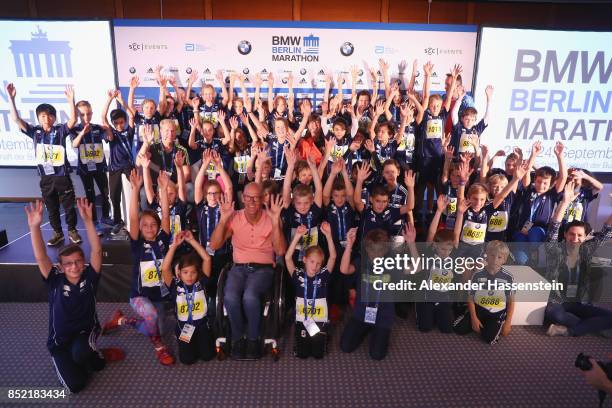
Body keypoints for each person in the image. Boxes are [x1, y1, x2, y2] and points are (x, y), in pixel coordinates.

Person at [25, 198, 123, 393]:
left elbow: (97, 249)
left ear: (83, 262)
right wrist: (34, 227)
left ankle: (94, 355)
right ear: (61, 267)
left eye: (78, 261)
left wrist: (87, 221)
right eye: (68, 263)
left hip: (85, 332)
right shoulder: (54, 280)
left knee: (92, 362)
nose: (74, 266)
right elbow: (41, 257)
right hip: (59, 342)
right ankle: (71, 360)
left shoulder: (90, 277)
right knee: (75, 386)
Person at [102, 169, 174, 365]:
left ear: (158, 228)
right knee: (151, 320)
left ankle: (121, 321)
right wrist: (135, 189)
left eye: (153, 225)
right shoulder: (136, 244)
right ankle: (160, 348)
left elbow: (166, 216)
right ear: (140, 229)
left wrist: (164, 188)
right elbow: (133, 218)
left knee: (157, 326)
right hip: (139, 296)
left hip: (159, 295)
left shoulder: (163, 241)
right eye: (145, 225)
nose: (149, 228)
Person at [208, 182, 287, 360]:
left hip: (263, 269)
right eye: (248, 197)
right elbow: (214, 245)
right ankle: (238, 337)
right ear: (243, 198)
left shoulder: (271, 217)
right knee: (229, 296)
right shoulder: (234, 217)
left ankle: (253, 338)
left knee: (250, 296)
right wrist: (223, 219)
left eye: (256, 197)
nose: (252, 201)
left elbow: (280, 250)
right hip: (238, 268)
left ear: (262, 199)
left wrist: (275, 222)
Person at [6, 83, 80, 246]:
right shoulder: (35, 132)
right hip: (46, 178)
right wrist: (11, 99)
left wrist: (71, 100)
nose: (46, 119)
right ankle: (58, 233)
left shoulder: (60, 131)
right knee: (52, 207)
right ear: (38, 118)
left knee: (68, 206)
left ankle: (73, 231)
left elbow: (74, 119)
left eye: (50, 116)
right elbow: (16, 119)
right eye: (43, 116)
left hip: (62, 176)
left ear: (54, 117)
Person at [544, 181, 612, 337]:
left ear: (585, 237)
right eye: (571, 234)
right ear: (565, 235)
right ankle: (592, 326)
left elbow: (607, 231)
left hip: (579, 302)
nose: (575, 238)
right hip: (558, 303)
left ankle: (568, 329)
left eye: (579, 235)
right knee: (554, 314)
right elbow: (554, 228)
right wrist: (565, 202)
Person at [161, 230, 214, 364]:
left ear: (198, 273)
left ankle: (200, 342)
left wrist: (192, 241)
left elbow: (207, 259)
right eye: (185, 272)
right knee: (187, 360)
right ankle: (183, 340)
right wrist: (174, 246)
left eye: (193, 272)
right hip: (184, 327)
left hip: (202, 326)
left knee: (207, 356)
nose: (189, 276)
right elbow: (165, 268)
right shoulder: (175, 286)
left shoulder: (200, 283)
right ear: (179, 272)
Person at [285, 222, 336, 359]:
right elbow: (287, 258)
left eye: (318, 263)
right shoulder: (299, 276)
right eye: (312, 262)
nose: (315, 266)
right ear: (305, 260)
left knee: (318, 355)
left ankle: (324, 338)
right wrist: (297, 237)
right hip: (303, 320)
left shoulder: (323, 276)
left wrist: (329, 236)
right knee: (302, 354)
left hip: (319, 321)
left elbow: (333, 257)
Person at [454, 241, 515, 344]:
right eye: (492, 255)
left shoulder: (508, 277)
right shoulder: (477, 274)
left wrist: (508, 322)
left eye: (499, 257)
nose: (495, 260)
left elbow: (511, 301)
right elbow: (470, 297)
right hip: (479, 309)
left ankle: (498, 322)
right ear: (486, 255)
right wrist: (474, 318)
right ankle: (469, 314)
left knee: (489, 338)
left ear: (504, 260)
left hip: (496, 313)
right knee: (458, 329)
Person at [71, 100, 113, 235]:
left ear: (91, 113)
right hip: (85, 169)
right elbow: (74, 144)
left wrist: (107, 128)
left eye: (88, 114)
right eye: (82, 114)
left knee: (106, 193)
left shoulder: (97, 128)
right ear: (78, 115)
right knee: (91, 196)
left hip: (99, 166)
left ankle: (105, 217)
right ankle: (94, 222)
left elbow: (109, 138)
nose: (86, 117)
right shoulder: (75, 129)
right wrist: (82, 133)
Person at [101, 89, 135, 236]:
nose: (120, 125)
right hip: (114, 168)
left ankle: (135, 217)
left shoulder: (129, 131)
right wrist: (109, 99)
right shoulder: (111, 133)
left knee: (135, 190)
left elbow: (132, 114)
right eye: (116, 123)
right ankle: (117, 221)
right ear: (113, 124)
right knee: (114, 195)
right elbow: (103, 118)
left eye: (122, 122)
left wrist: (121, 100)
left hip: (128, 166)